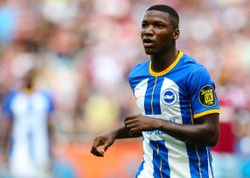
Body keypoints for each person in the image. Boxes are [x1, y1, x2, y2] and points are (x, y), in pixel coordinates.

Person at [91, 4, 220, 178]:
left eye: (158, 26)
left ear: (175, 34)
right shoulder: (137, 75)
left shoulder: (195, 74)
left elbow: (211, 134)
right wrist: (115, 134)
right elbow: (148, 125)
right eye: (145, 25)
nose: (148, 31)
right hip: (150, 172)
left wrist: (157, 123)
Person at [2, 68, 56, 178]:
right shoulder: (14, 97)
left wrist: (51, 151)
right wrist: (5, 151)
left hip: (40, 146)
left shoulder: (45, 97)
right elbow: (7, 126)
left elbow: (50, 125)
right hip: (20, 146)